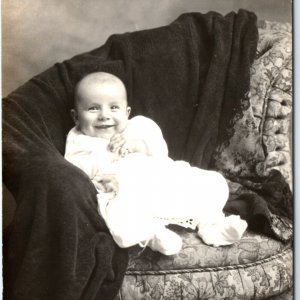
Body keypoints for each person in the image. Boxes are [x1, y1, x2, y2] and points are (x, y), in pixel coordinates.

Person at [64, 71, 248, 255]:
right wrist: (107, 171)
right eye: (93, 109)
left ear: (126, 112)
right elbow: (78, 169)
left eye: (113, 108)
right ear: (76, 116)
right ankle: (151, 235)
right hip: (129, 193)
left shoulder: (137, 127)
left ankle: (211, 224)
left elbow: (161, 153)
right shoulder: (79, 140)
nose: (104, 116)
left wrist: (135, 144)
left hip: (163, 184)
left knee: (213, 183)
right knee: (115, 210)